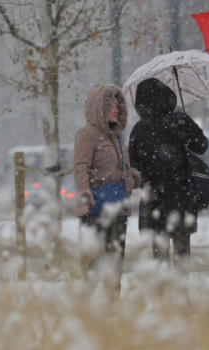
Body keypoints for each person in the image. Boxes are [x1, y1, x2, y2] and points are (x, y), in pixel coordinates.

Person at [128, 78, 209, 264]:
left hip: (153, 200)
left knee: (159, 256)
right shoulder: (180, 120)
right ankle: (181, 290)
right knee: (182, 251)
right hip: (181, 196)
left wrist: (151, 179)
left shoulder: (138, 129)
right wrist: (187, 132)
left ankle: (162, 291)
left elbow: (135, 167)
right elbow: (202, 146)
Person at [74, 85, 141, 294]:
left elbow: (119, 168)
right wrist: (85, 196)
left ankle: (112, 305)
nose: (116, 109)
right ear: (98, 108)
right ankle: (86, 306)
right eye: (110, 105)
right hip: (97, 207)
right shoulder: (86, 134)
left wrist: (131, 178)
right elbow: (81, 168)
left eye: (117, 105)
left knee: (116, 257)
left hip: (119, 204)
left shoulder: (117, 135)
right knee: (95, 259)